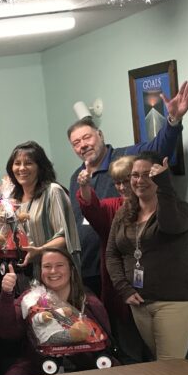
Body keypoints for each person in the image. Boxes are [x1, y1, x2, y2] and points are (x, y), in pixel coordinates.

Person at [67, 80, 188, 295]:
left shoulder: (127, 158)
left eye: (86, 137)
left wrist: (173, 120)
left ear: (100, 135)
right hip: (88, 269)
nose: (83, 145)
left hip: (124, 263)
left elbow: (158, 148)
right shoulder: (75, 178)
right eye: (76, 143)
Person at [0, 248, 111, 375]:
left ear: (71, 270)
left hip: (85, 363)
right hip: (38, 362)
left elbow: (104, 338)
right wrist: (6, 294)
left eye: (59, 265)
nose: (53, 271)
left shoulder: (88, 302)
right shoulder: (31, 299)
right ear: (40, 271)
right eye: (47, 266)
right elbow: (6, 331)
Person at [106, 154, 188, 360]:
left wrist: (163, 184)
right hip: (139, 304)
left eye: (148, 175)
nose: (140, 181)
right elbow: (112, 253)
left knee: (169, 368)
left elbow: (170, 225)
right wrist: (123, 288)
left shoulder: (180, 210)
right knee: (158, 367)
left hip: (172, 302)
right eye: (135, 175)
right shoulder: (124, 213)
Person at [76, 155, 148, 362]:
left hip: (151, 286)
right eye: (117, 182)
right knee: (128, 345)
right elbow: (93, 210)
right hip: (121, 287)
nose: (122, 187)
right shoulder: (111, 206)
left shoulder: (152, 204)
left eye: (126, 180)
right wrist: (85, 187)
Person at [7, 141, 81, 271]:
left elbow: (65, 236)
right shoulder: (12, 199)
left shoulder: (53, 191)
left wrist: (40, 250)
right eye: (17, 163)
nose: (22, 168)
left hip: (54, 271)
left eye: (29, 163)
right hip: (25, 274)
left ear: (40, 167)